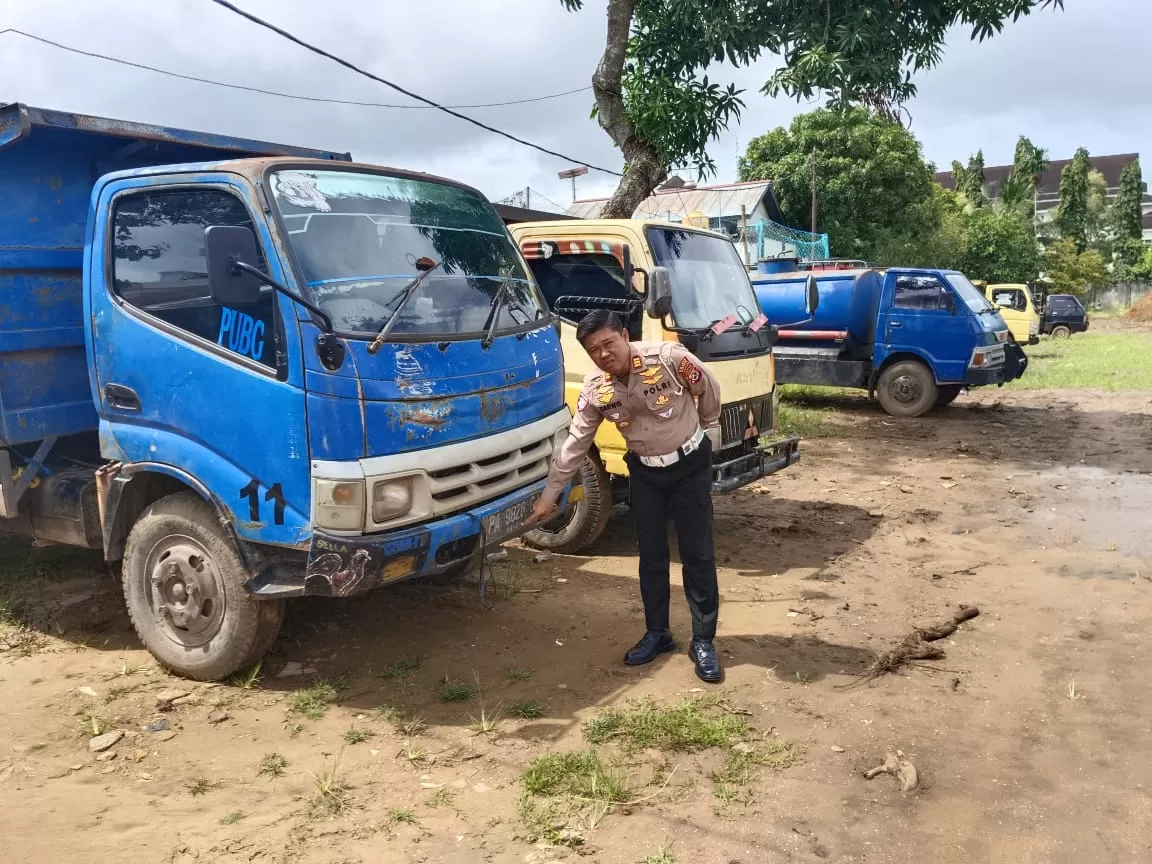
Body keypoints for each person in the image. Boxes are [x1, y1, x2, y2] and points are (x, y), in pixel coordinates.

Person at [526, 310, 725, 682]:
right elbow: (575, 444)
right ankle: (658, 634)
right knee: (650, 555)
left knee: (697, 553)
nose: (602, 354)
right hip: (645, 472)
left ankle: (703, 641)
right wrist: (550, 495)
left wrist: (706, 432)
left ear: (624, 334)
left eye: (608, 343)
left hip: (688, 467)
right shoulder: (595, 388)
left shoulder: (669, 359)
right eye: (592, 349)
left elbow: (709, 390)